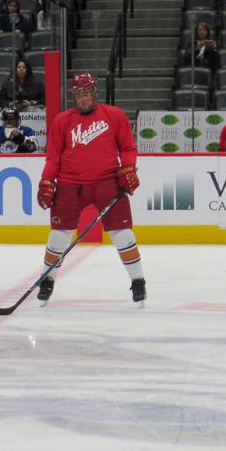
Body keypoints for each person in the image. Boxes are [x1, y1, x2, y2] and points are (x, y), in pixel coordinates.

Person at [36, 71, 145, 305]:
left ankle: (138, 282)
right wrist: (48, 181)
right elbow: (53, 157)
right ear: (73, 95)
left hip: (107, 183)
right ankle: (47, 281)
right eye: (78, 94)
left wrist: (128, 168)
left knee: (122, 233)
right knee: (58, 236)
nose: (83, 98)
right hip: (69, 184)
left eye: (86, 93)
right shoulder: (62, 120)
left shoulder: (113, 116)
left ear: (94, 92)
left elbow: (127, 148)